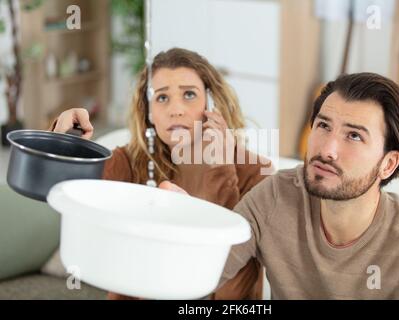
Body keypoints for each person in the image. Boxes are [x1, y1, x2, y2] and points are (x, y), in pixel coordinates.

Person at [162, 72, 399, 299]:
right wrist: (187, 224)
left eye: (354, 136)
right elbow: (198, 275)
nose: (327, 149)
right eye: (323, 126)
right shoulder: (275, 197)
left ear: (387, 164)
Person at [49, 47, 274, 300]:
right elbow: (61, 190)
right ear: (149, 112)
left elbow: (235, 295)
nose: (175, 109)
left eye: (189, 94)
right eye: (162, 98)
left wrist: (219, 169)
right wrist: (67, 144)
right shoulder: (131, 162)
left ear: (213, 104)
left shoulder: (255, 173)